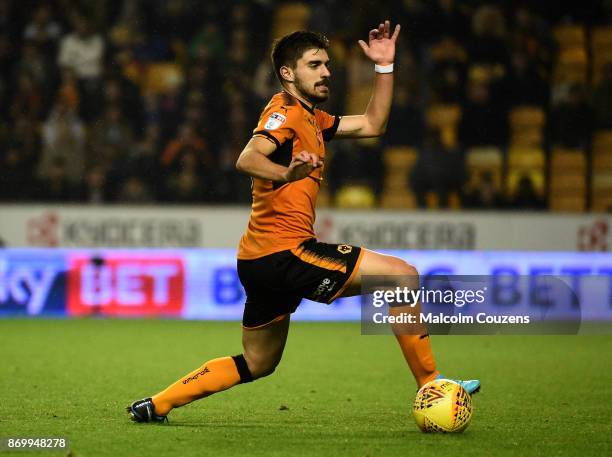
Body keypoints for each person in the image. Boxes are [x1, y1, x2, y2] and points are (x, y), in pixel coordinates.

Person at [127, 21, 480, 423]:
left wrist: (384, 68)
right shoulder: (284, 112)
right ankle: (431, 384)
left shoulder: (312, 118)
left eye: (327, 64)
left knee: (258, 362)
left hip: (258, 260)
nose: (326, 71)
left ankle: (157, 404)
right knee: (402, 276)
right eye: (314, 64)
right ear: (288, 73)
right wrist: (286, 174)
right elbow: (248, 157)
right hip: (285, 252)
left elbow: (371, 124)